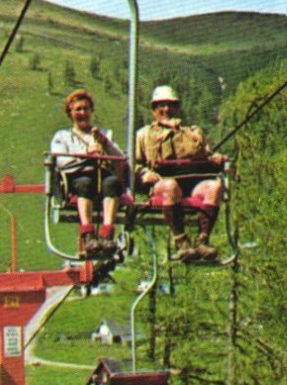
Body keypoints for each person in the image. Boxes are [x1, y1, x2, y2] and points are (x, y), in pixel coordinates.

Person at [135, 84, 226, 261]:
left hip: (192, 182)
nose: (166, 109)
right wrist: (145, 174)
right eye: (161, 105)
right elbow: (134, 163)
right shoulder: (144, 134)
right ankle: (181, 241)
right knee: (171, 186)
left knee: (214, 187)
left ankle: (203, 240)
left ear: (177, 108)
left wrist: (216, 159)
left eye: (171, 105)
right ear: (154, 109)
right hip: (162, 182)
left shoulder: (192, 133)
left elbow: (206, 155)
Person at [49, 88, 126, 258]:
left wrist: (105, 142)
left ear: (91, 110)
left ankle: (107, 234)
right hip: (76, 176)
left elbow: (120, 158)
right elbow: (61, 161)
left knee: (112, 183)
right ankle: (88, 234)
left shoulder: (104, 134)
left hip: (101, 175)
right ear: (70, 113)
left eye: (86, 109)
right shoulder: (62, 136)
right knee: (85, 184)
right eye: (78, 110)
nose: (83, 113)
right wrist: (86, 154)